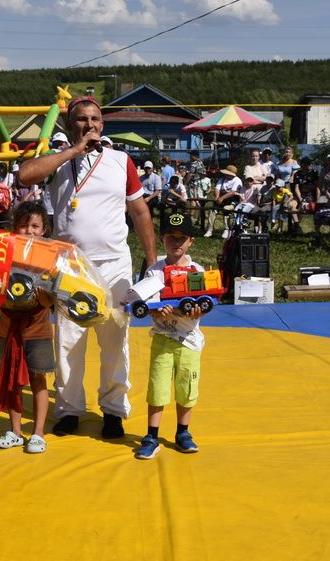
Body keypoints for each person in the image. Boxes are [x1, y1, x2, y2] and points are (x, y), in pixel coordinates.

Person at [18, 96, 156, 440]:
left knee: (114, 341)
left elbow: (139, 212)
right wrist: (73, 151)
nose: (89, 124)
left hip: (114, 264)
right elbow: (24, 175)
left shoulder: (120, 161)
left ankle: (112, 410)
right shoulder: (59, 161)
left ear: (103, 125)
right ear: (70, 124)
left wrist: (152, 263)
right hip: (71, 265)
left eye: (95, 119)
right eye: (81, 119)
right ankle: (69, 409)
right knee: (68, 342)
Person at [136, 212, 203, 460]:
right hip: (163, 339)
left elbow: (200, 308)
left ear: (190, 241)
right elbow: (146, 304)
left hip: (189, 340)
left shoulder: (196, 270)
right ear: (162, 240)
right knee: (158, 387)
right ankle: (152, 435)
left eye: (181, 238)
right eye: (170, 238)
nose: (176, 243)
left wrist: (193, 310)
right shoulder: (154, 272)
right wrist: (157, 312)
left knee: (187, 387)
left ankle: (183, 432)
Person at [0, 201, 54, 454]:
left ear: (44, 229)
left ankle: (38, 434)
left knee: (38, 378)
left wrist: (45, 298)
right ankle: (15, 432)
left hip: (38, 327)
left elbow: (52, 300)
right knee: (10, 379)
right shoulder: (3, 253)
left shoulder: (50, 256)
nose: (29, 231)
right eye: (24, 225)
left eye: (35, 226)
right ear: (15, 228)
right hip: (9, 326)